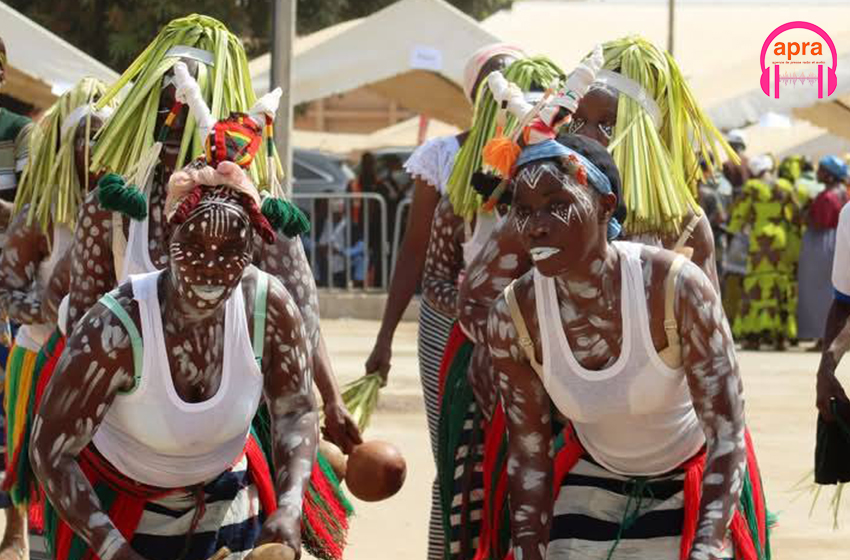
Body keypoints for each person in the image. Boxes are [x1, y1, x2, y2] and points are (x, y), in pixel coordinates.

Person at [66, 15, 360, 460]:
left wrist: (330, 398)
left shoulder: (261, 211)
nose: (173, 126)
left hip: (237, 428)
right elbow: (85, 328)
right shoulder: (110, 210)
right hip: (128, 429)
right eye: (164, 111)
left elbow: (300, 317)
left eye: (184, 112)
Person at [487, 135, 768, 560]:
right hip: (595, 473)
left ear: (605, 205)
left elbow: (727, 433)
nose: (537, 225)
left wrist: (707, 546)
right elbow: (529, 455)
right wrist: (528, 550)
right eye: (523, 211)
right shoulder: (515, 315)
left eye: (555, 203)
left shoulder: (674, 287)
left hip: (693, 476)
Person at [31, 176, 317, 560]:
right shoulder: (117, 325)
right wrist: (114, 549)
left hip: (227, 503)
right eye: (194, 247)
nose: (211, 266)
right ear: (168, 243)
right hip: (121, 514)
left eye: (230, 249)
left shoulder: (267, 307)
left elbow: (295, 410)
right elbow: (50, 451)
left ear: (251, 250)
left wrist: (289, 506)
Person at [362, 42, 525, 560]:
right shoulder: (446, 157)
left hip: (523, 325)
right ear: (474, 96)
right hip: (447, 320)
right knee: (455, 454)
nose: (502, 91)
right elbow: (416, 256)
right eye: (490, 84)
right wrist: (385, 338)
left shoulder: (543, 156)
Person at [0, 78, 115, 517]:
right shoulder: (41, 214)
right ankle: (17, 533)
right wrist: (46, 309)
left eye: (109, 137)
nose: (100, 150)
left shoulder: (132, 211)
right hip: (43, 359)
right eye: (90, 138)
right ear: (69, 145)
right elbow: (6, 293)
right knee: (39, 475)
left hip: (111, 369)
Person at [0, 34, 34, 560]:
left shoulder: (20, 132)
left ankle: (16, 528)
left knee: (9, 408)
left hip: (6, 286)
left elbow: (31, 213)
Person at [727, 155, 801, 350]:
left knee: (756, 286)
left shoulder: (751, 188)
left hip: (760, 241)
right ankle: (780, 338)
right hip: (780, 239)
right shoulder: (784, 186)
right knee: (779, 285)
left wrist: (731, 232)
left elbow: (738, 216)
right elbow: (796, 214)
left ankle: (754, 337)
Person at [798, 156, 849, 349]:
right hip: (836, 241)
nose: (817, 173)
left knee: (818, 291)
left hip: (821, 244)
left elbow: (820, 222)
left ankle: (823, 337)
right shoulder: (843, 192)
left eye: (821, 170)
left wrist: (804, 214)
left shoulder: (828, 196)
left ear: (829, 175)